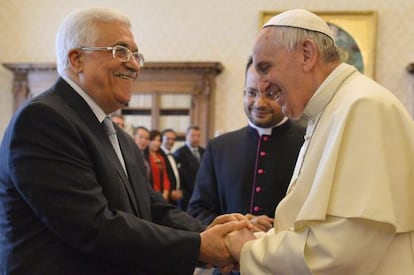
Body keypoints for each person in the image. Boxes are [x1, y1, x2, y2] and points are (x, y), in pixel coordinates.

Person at [0, 7, 251, 275]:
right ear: (76, 59)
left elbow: (151, 208)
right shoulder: (44, 119)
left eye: (136, 55)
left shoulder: (120, 137)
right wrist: (198, 246)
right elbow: (93, 226)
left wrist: (210, 232)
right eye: (120, 51)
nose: (134, 64)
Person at [224, 9, 414, 274]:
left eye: (266, 67)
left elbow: (341, 252)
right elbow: (310, 232)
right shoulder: (329, 111)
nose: (263, 86)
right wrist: (255, 240)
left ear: (306, 54)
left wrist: (248, 249)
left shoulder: (363, 107)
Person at [187, 56, 305, 232]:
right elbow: (197, 212)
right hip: (232, 258)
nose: (259, 103)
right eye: (252, 93)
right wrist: (238, 226)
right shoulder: (219, 147)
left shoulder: (307, 142)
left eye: (270, 94)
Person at [174, 125, 205, 211]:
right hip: (187, 196)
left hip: (202, 195)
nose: (196, 138)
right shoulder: (179, 153)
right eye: (193, 135)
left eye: (198, 136)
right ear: (186, 136)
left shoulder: (204, 151)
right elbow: (182, 176)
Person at [161, 128, 184, 206]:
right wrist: (170, 191)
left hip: (175, 198)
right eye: (168, 139)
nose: (170, 142)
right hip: (164, 197)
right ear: (162, 139)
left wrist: (179, 190)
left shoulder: (173, 156)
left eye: (173, 139)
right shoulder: (159, 156)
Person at [147, 129, 171, 201]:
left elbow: (165, 176)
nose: (157, 143)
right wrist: (158, 194)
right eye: (154, 140)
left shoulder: (161, 157)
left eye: (159, 141)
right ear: (149, 141)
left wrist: (165, 192)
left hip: (163, 195)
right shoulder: (145, 158)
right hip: (151, 194)